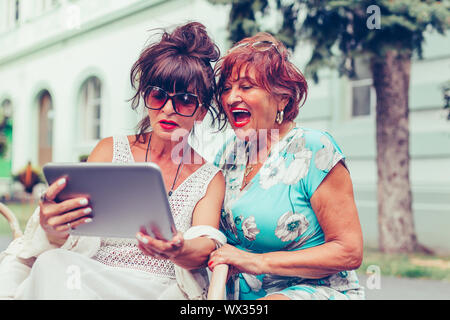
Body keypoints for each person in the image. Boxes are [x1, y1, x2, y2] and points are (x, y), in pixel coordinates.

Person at [0, 22, 226, 300]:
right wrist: (50, 225)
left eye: (185, 100)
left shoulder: (209, 177)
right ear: (146, 96)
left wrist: (178, 249)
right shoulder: (110, 150)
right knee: (50, 263)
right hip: (92, 277)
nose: (168, 109)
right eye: (158, 95)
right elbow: (72, 230)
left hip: (158, 289)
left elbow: (206, 246)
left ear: (201, 112)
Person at [208, 32, 365, 300]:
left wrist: (258, 262)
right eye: (226, 88)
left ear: (282, 98)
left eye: (246, 87)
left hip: (316, 290)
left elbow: (349, 251)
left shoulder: (315, 148)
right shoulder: (228, 154)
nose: (232, 97)